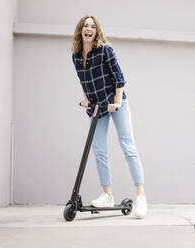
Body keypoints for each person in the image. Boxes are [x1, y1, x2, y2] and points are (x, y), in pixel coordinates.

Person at [71, 15, 147, 218]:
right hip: (97, 106)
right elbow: (83, 80)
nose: (89, 29)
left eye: (93, 26)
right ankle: (107, 194)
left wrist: (118, 102)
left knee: (127, 146)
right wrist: (85, 100)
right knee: (99, 149)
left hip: (115, 102)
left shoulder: (105, 50)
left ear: (97, 31)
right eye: (86, 26)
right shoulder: (77, 55)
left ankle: (141, 196)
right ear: (80, 30)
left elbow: (119, 78)